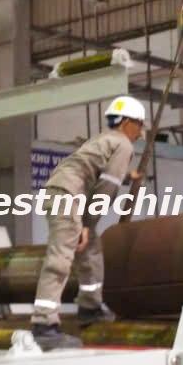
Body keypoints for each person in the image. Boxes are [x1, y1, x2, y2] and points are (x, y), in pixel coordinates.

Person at [31, 95, 146, 349]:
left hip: (66, 192)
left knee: (91, 250)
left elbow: (97, 170)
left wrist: (128, 176)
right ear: (126, 122)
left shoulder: (105, 139)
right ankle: (43, 324)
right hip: (67, 196)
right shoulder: (123, 145)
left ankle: (90, 307)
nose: (140, 133)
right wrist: (87, 224)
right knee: (61, 257)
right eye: (139, 125)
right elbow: (106, 188)